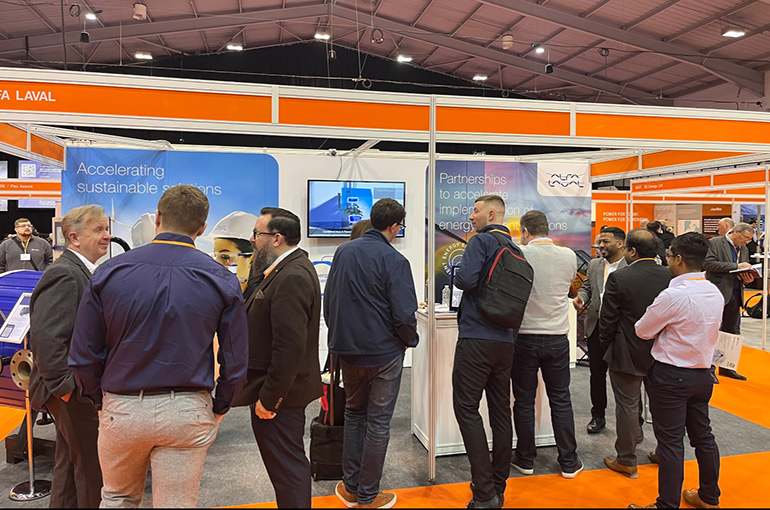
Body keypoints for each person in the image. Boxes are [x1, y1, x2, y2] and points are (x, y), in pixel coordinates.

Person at [68, 185, 248, 508]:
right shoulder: (221, 279)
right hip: (187, 408)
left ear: (158, 218)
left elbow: (83, 355)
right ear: (202, 228)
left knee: (117, 498)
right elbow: (235, 360)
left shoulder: (110, 271)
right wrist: (221, 405)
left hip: (123, 406)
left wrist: (99, 400)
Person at [325, 199, 418, 509]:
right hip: (383, 353)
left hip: (348, 350)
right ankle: (368, 496)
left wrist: (338, 338)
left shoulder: (343, 252)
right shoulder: (395, 260)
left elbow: (330, 301)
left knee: (354, 414)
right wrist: (409, 341)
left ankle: (352, 488)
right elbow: (404, 315)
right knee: (377, 423)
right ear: (394, 226)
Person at [232, 207, 323, 508]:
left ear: (276, 239)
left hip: (282, 396)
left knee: (288, 468)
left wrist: (271, 399)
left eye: (256, 234)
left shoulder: (292, 275)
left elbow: (290, 347)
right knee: (284, 467)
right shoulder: (279, 271)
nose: (252, 239)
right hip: (276, 390)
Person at [630, 233, 724, 509]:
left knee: (670, 443)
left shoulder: (673, 295)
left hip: (671, 376)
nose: (667, 260)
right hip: (702, 374)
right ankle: (709, 496)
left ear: (679, 259)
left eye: (670, 255)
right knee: (703, 437)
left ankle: (667, 504)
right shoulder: (713, 291)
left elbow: (642, 330)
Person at [28, 205, 110, 508]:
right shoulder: (64, 273)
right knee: (91, 467)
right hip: (68, 390)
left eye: (106, 228)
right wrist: (65, 389)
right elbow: (47, 338)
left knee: (70, 464)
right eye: (98, 229)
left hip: (71, 388)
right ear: (74, 237)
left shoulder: (80, 271)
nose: (107, 235)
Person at [452, 195, 518, 509]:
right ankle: (498, 487)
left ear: (491, 214)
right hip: (505, 341)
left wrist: (461, 272)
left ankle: (484, 491)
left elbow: (465, 280)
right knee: (501, 412)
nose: (471, 216)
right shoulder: (516, 248)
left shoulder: (481, 242)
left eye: (476, 211)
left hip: (476, 337)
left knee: (466, 409)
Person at [511, 210, 583, 479]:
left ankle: (525, 459)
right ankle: (569, 461)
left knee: (524, 401)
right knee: (561, 399)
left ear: (525, 231)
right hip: (557, 338)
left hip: (524, 337)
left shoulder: (519, 253)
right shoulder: (568, 255)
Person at [598, 229, 671, 479]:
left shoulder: (620, 277)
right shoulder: (670, 276)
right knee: (662, 406)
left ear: (632, 251)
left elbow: (608, 319)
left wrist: (606, 346)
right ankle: (664, 453)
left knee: (627, 406)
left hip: (626, 351)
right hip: (662, 352)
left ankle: (627, 460)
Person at [573, 226, 627, 434]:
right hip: (596, 327)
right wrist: (581, 298)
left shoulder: (631, 266)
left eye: (605, 242)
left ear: (620, 244)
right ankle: (598, 416)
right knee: (597, 374)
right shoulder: (595, 264)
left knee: (626, 377)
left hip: (622, 330)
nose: (600, 246)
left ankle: (634, 422)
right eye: (599, 242)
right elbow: (587, 286)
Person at [704, 222, 755, 383]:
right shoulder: (715, 243)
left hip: (736, 293)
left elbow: (741, 268)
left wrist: (747, 277)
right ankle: (709, 369)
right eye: (745, 238)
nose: (747, 242)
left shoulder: (744, 248)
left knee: (731, 331)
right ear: (736, 232)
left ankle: (727, 367)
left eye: (749, 239)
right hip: (718, 292)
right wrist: (736, 266)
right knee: (714, 331)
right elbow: (708, 264)